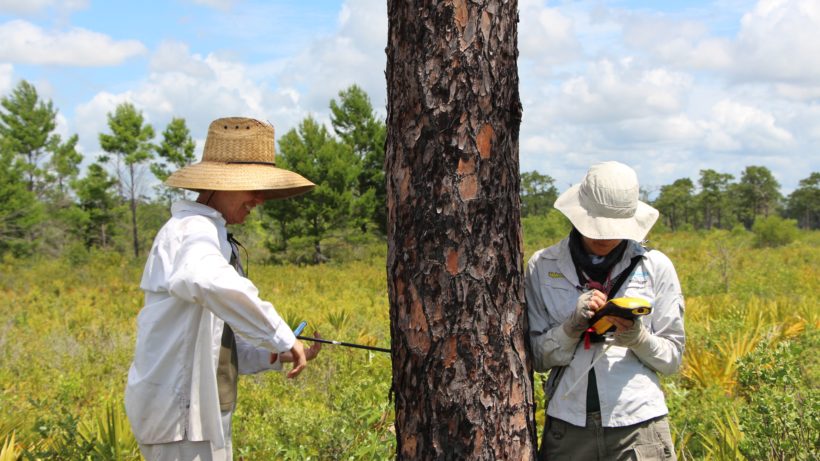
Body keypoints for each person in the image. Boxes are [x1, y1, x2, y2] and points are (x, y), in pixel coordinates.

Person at [125, 116, 323, 461]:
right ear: (223, 183)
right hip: (178, 421)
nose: (259, 200)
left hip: (200, 417)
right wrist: (279, 334)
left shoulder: (212, 236)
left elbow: (218, 343)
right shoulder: (192, 230)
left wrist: (275, 352)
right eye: (254, 188)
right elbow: (207, 279)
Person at [526, 161, 685, 460]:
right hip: (568, 424)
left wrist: (638, 338)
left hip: (638, 423)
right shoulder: (544, 266)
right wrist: (571, 327)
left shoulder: (655, 267)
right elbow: (535, 357)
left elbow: (672, 359)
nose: (605, 236)